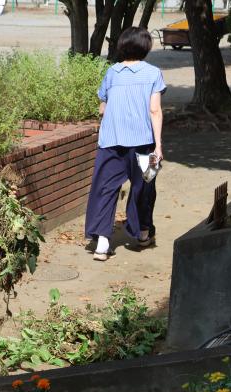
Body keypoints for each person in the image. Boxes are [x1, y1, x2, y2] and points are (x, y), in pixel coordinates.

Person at [85, 26, 165, 261]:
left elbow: (103, 107)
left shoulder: (112, 72)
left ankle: (101, 242)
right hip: (145, 143)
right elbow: (155, 110)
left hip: (111, 141)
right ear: (145, 47)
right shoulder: (153, 73)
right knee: (146, 186)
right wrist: (158, 146)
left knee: (105, 189)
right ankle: (141, 233)